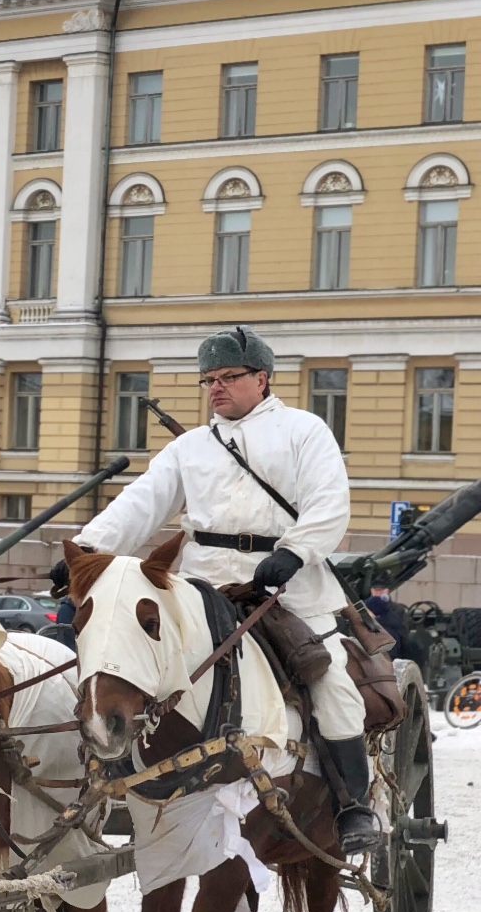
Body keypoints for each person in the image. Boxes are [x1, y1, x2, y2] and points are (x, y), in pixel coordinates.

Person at [57, 325, 379, 853]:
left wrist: (293, 552)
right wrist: (85, 552)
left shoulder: (305, 430)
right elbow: (140, 505)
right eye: (209, 379)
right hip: (202, 584)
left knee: (332, 686)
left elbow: (329, 502)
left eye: (229, 377)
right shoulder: (190, 447)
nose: (216, 388)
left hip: (288, 586)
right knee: (130, 659)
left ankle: (352, 807)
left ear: (263, 378)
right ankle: (116, 780)